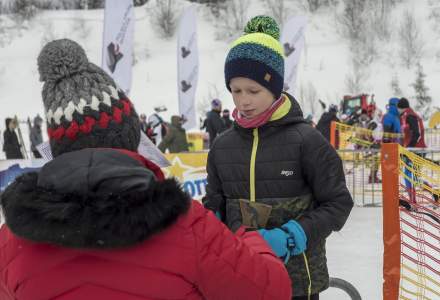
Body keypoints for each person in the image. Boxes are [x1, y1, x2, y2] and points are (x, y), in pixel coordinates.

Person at [0, 39, 292, 300]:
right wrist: (249, 237)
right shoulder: (187, 225)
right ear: (130, 137)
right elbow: (271, 289)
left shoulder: (12, 239)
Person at [203, 16, 353, 300]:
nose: (243, 100)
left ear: (274, 88)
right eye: (235, 91)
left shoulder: (306, 141)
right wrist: (212, 228)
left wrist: (292, 235)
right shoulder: (223, 147)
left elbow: (338, 203)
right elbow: (214, 203)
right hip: (241, 278)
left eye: (253, 91)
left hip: (297, 283)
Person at [397, 97, 427, 202]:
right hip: (414, 149)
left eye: (398, 108)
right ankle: (433, 192)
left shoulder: (410, 116)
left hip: (416, 150)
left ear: (401, 108)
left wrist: (408, 149)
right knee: (415, 177)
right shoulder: (408, 115)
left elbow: (417, 134)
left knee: (409, 175)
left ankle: (413, 201)